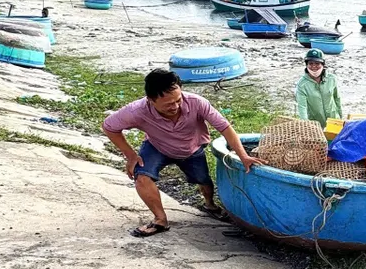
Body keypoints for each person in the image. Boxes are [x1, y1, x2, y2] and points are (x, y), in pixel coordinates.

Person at [102, 68, 262, 238]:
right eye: (168, 104)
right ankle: (160, 220)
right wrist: (130, 155)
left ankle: (209, 205)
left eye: (178, 100)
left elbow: (224, 127)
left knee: (203, 180)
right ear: (150, 100)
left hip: (191, 147)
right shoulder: (136, 111)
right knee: (141, 176)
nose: (175, 106)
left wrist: (243, 156)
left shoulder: (197, 102)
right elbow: (109, 127)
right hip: (157, 146)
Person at [295, 48, 342, 128]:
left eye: (317, 63)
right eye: (310, 63)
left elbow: (337, 98)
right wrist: (306, 124)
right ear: (306, 65)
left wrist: (340, 117)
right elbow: (302, 107)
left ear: (323, 64)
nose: (314, 66)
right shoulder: (302, 84)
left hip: (334, 121)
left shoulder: (332, 79)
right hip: (316, 126)